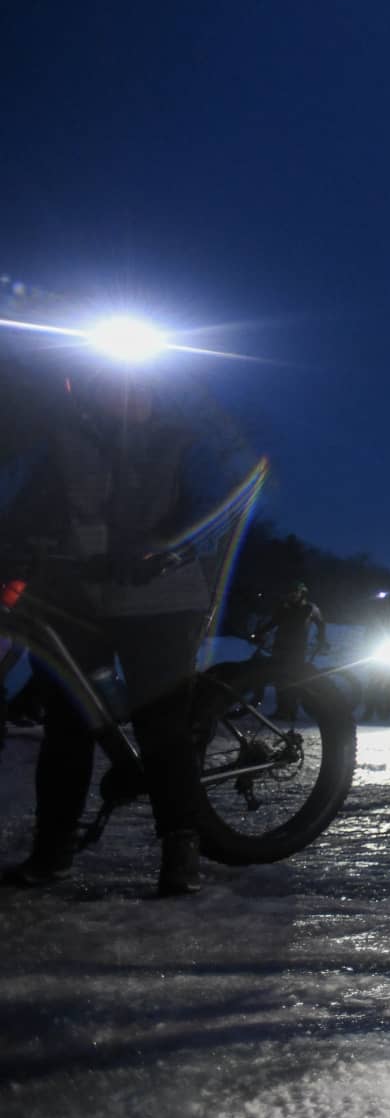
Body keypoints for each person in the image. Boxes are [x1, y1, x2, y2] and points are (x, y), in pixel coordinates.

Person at [0, 337, 241, 895]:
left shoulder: (183, 443)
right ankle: (53, 849)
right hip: (78, 600)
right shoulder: (62, 446)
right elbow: (22, 513)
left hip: (161, 595)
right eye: (109, 383)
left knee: (160, 720)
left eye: (135, 384)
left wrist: (165, 546)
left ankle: (181, 845)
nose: (124, 394)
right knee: (66, 725)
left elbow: (214, 505)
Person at [251, 582, 327, 719]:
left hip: (297, 649)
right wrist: (259, 633)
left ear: (301, 593)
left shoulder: (310, 608)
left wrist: (321, 638)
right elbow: (273, 622)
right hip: (279, 645)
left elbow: (321, 623)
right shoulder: (284, 607)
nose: (291, 597)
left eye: (294, 594)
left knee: (291, 680)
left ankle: (290, 711)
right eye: (288, 594)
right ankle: (281, 710)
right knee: (279, 679)